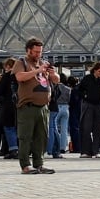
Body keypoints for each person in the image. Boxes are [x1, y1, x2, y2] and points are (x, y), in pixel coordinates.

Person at [14, 38, 58, 174]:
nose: (38, 54)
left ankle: (39, 163)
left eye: (40, 52)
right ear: (28, 50)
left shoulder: (43, 63)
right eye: (35, 52)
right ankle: (25, 165)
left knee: (42, 136)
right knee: (25, 136)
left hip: (43, 106)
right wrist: (37, 70)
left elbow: (56, 80)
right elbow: (20, 77)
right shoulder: (21, 62)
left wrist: (52, 73)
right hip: (28, 106)